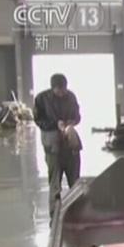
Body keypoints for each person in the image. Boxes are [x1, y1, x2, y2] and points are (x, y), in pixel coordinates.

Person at [33, 73, 82, 218]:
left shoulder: (71, 97)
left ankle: (77, 210)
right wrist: (55, 124)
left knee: (75, 180)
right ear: (53, 88)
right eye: (59, 90)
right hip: (52, 146)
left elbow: (77, 116)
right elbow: (38, 120)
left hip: (70, 145)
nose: (62, 93)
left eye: (64, 89)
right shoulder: (41, 99)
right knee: (55, 182)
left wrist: (71, 122)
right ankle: (55, 214)